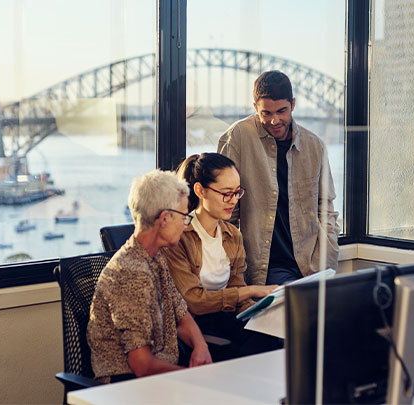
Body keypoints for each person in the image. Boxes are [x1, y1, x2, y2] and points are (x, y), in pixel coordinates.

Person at [87, 169, 212, 384]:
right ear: (164, 218)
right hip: (125, 387)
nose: (186, 225)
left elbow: (182, 316)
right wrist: (195, 379)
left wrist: (201, 346)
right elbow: (142, 366)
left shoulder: (155, 258)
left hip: (158, 378)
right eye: (184, 217)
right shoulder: (130, 273)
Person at [218, 70, 340, 286]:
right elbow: (224, 210)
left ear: (293, 104)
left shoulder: (315, 146)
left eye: (282, 111)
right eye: (266, 113)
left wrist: (328, 256)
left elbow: (326, 208)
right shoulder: (237, 138)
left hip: (311, 266)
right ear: (255, 108)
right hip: (265, 269)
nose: (274, 120)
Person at [163, 153, 280, 360]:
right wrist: (250, 291)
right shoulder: (179, 236)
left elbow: (237, 290)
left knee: (274, 334)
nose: (233, 201)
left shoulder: (232, 235)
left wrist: (262, 311)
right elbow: (194, 302)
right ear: (200, 190)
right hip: (189, 327)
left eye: (237, 193)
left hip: (224, 320)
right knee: (261, 346)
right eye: (226, 193)